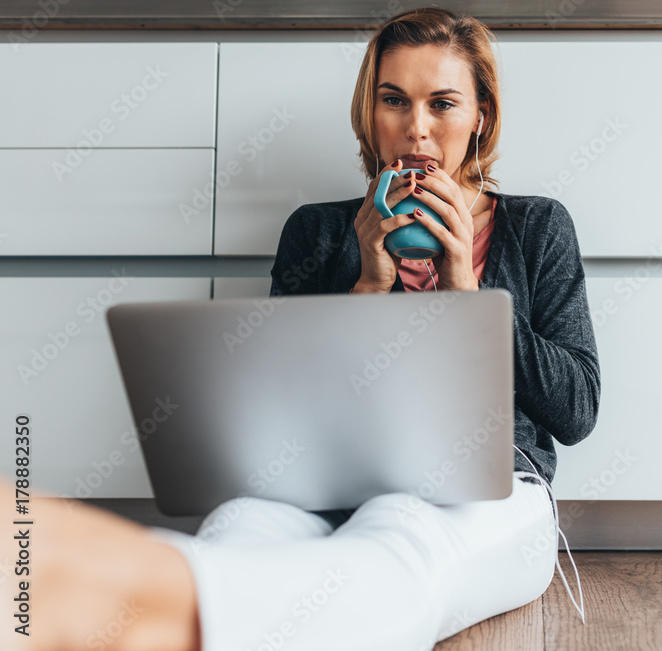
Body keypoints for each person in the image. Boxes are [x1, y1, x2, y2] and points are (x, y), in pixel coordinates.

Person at [1, 7, 599, 651]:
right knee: (239, 523)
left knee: (400, 531)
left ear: (481, 116)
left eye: (443, 104)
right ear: (369, 112)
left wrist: (468, 291)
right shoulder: (315, 232)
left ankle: (133, 597)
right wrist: (368, 282)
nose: (416, 130)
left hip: (497, 488)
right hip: (326, 484)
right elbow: (277, 415)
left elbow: (576, 411)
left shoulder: (536, 227)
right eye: (393, 100)